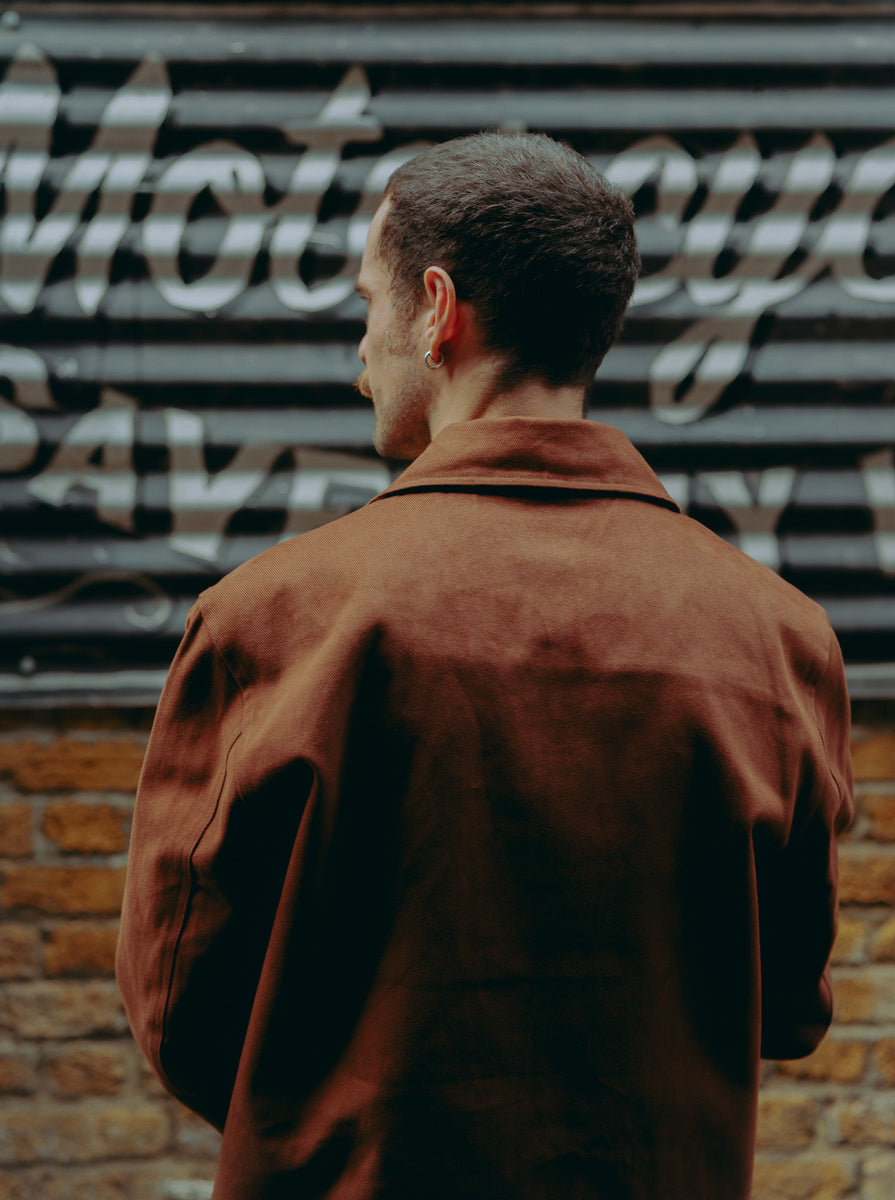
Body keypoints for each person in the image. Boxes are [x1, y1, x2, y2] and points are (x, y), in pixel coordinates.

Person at [117, 132, 854, 1200]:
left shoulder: (270, 619)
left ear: (436, 308)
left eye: (367, 305)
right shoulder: (781, 639)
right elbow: (786, 1004)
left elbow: (179, 1003)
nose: (359, 352)